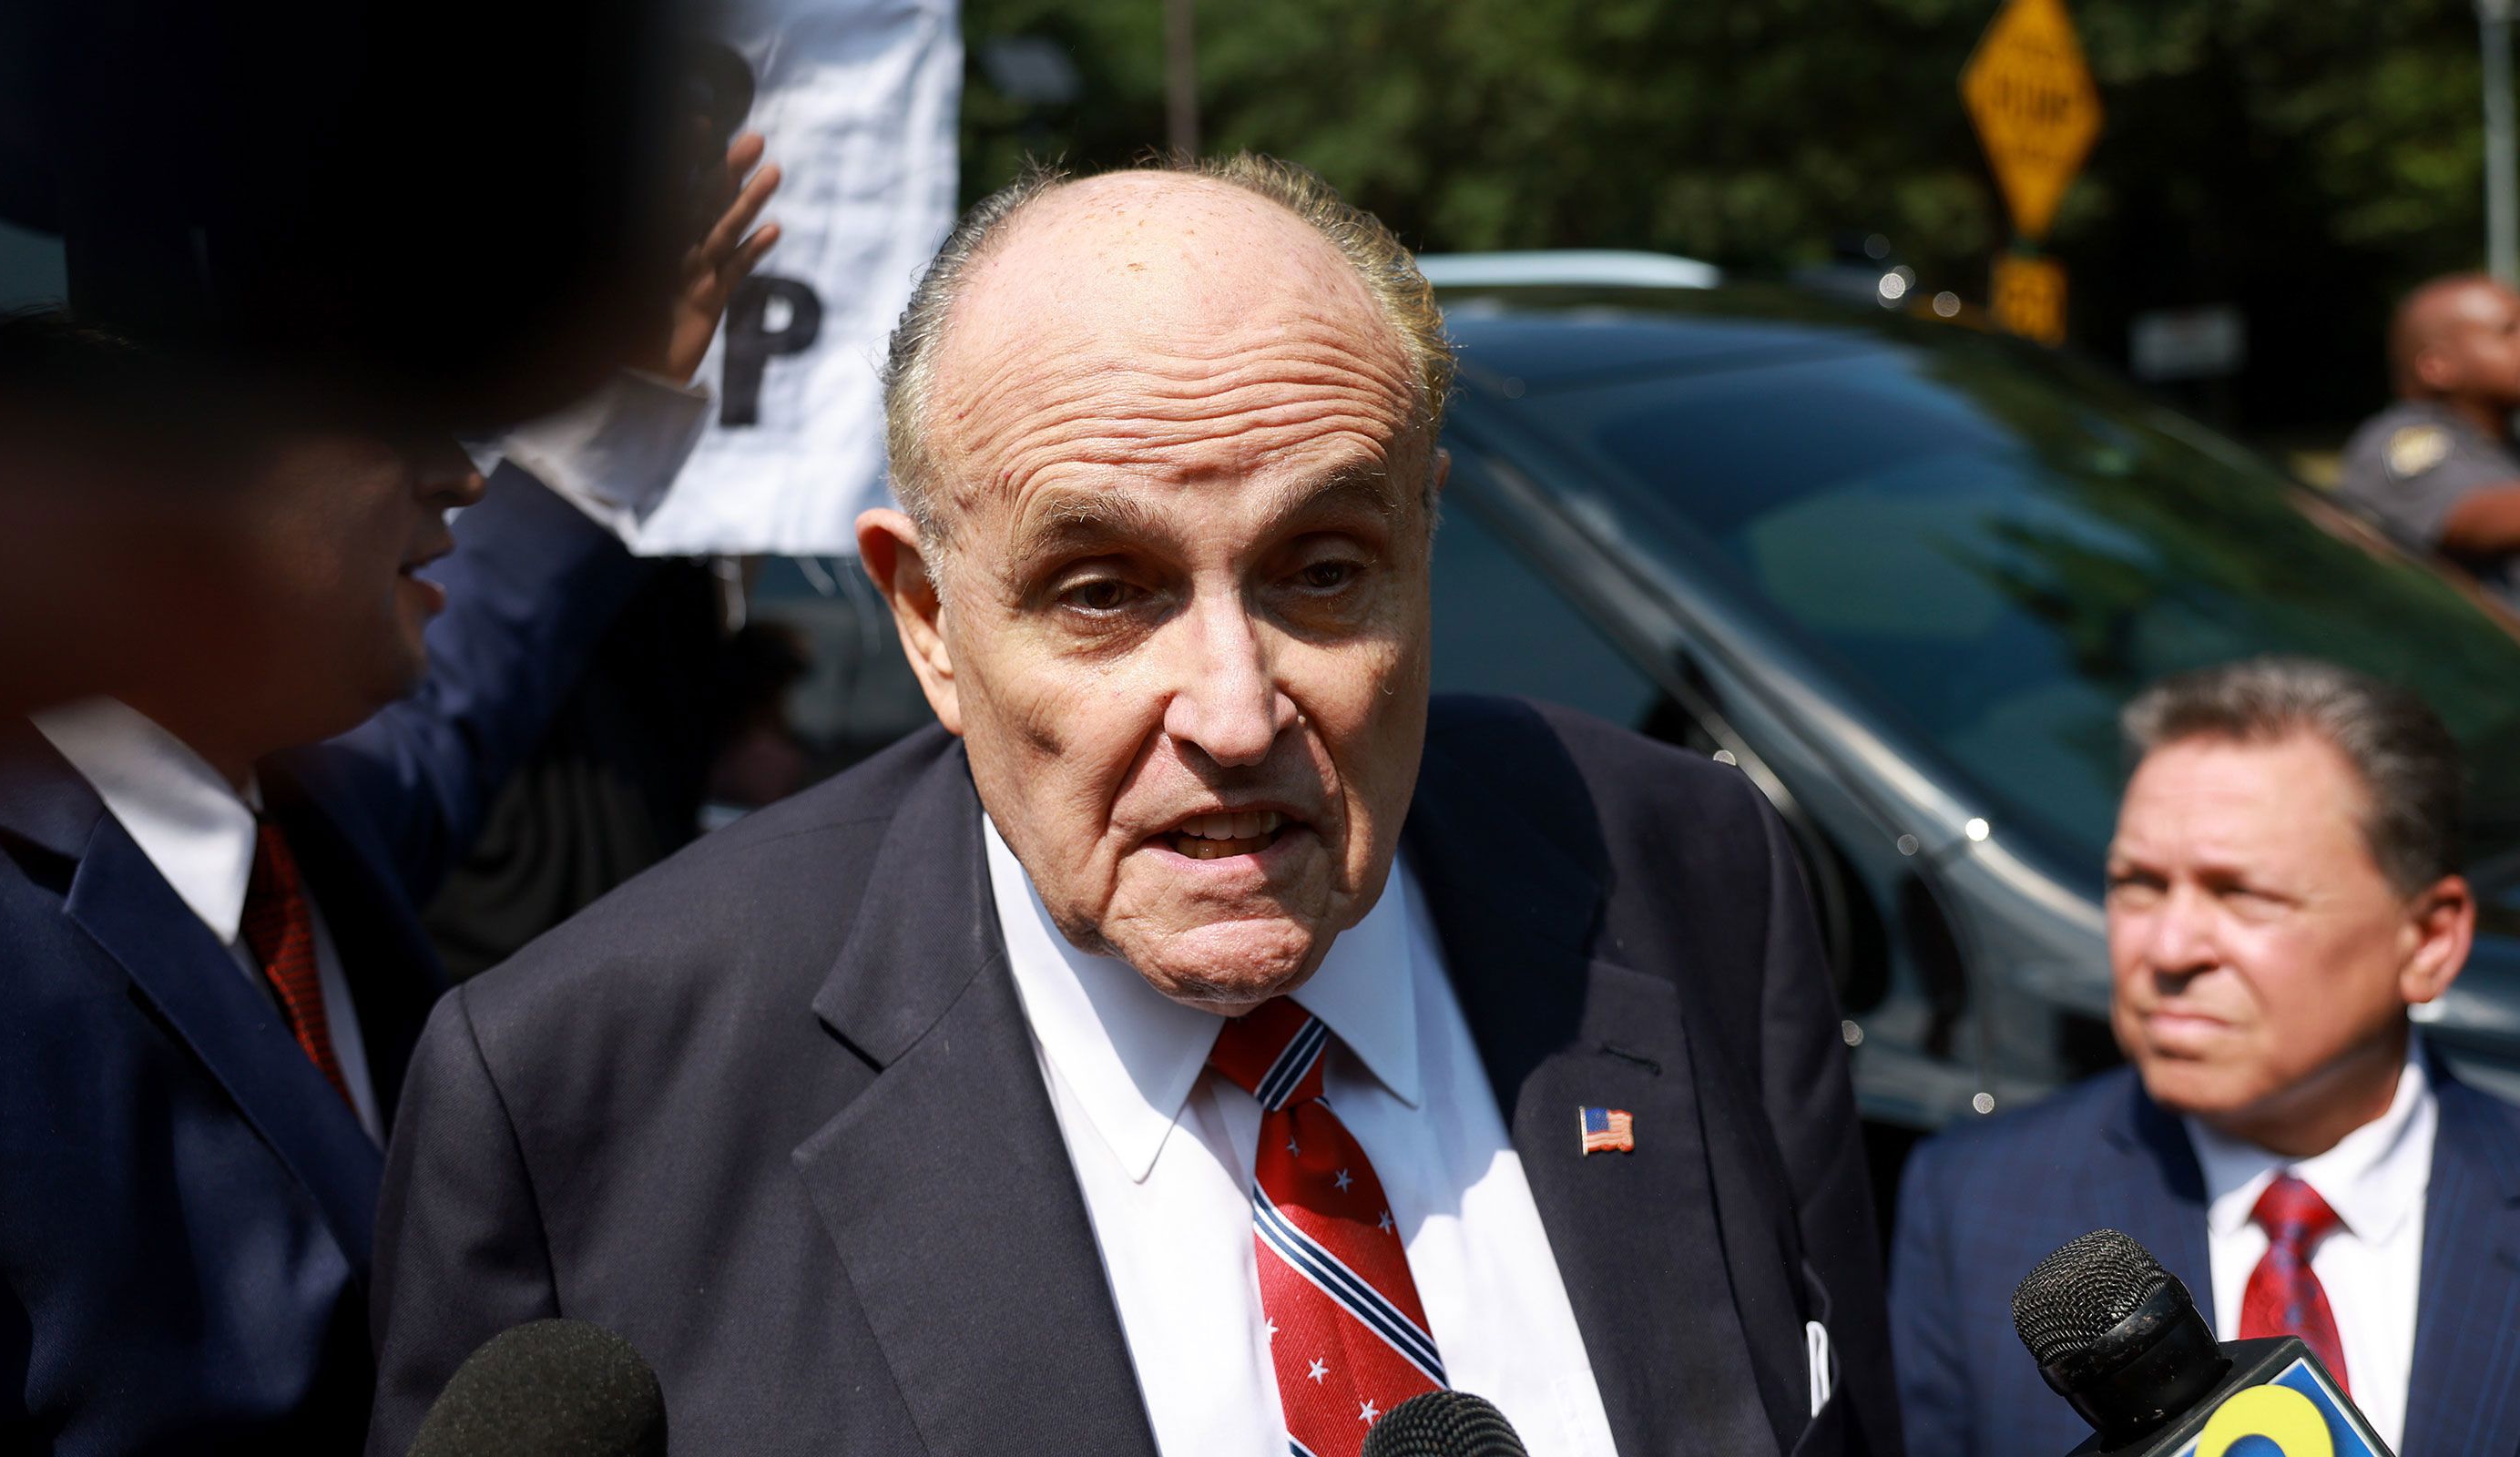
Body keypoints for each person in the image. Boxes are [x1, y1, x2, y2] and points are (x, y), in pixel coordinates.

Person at [366, 155, 1901, 1457]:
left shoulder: (1679, 873)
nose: (1234, 712)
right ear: (925, 621)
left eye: (1320, 570)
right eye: (1103, 594)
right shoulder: (588, 1095)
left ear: (1420, 540)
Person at [0, 142, 780, 1449]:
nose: (464, 477)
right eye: (396, 426)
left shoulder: (316, 821)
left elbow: (481, 662)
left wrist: (621, 393)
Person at [1888, 657, 2520, 1456]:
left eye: (2244, 893)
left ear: (2428, 940)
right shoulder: (1975, 1204)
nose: (2169, 947)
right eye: (2137, 884)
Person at [2337, 274, 2520, 602]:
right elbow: (2468, 520)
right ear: (2438, 366)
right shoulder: (2399, 445)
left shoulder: (2501, 445)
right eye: (2508, 331)